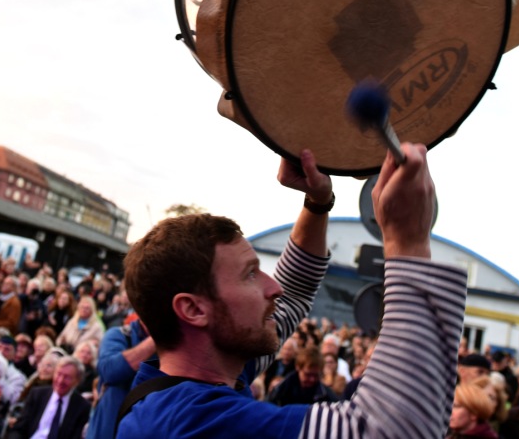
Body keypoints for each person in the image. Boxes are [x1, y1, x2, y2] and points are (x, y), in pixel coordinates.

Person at [116, 145, 468, 439]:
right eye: (250, 275)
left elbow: (295, 292)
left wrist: (317, 202)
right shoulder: (187, 422)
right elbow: (388, 431)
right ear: (193, 310)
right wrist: (408, 241)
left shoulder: (183, 383)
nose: (274, 286)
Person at [86, 316, 153, 438]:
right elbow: (109, 370)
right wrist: (155, 340)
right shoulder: (119, 334)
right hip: (108, 428)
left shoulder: (177, 344)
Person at [7, 355, 91, 439]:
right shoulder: (37, 395)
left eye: (67, 377)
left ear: (77, 381)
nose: (60, 380)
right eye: (59, 374)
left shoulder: (82, 407)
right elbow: (19, 429)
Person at [267, 345, 339, 406]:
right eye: (308, 375)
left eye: (316, 375)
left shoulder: (326, 396)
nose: (312, 379)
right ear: (298, 367)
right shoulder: (280, 391)